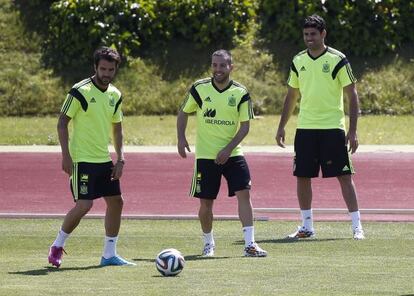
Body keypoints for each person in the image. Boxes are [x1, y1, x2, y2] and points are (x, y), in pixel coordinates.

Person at [275, 14, 365, 240]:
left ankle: (357, 226)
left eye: (313, 34)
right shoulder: (298, 61)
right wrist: (281, 126)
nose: (309, 38)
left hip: (332, 128)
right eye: (306, 35)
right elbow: (292, 95)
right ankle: (307, 226)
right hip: (305, 128)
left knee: (344, 176)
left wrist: (352, 130)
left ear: (323, 34)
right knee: (302, 176)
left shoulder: (338, 59)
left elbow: (351, 95)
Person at [48, 47, 136, 268]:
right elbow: (62, 123)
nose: (106, 73)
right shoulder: (80, 91)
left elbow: (118, 129)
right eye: (103, 68)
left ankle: (109, 255)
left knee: (117, 202)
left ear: (116, 69)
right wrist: (66, 156)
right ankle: (57, 246)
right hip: (82, 160)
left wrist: (121, 159)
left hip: (104, 161)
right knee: (85, 204)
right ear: (95, 67)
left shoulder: (115, 95)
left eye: (111, 69)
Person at [177, 49, 267, 257]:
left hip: (233, 154)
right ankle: (208, 243)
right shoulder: (199, 88)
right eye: (215, 65)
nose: (218, 69)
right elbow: (183, 112)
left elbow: (245, 126)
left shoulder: (240, 92)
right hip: (206, 157)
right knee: (206, 202)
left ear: (231, 67)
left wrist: (228, 149)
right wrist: (181, 138)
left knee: (244, 194)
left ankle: (249, 244)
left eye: (222, 65)